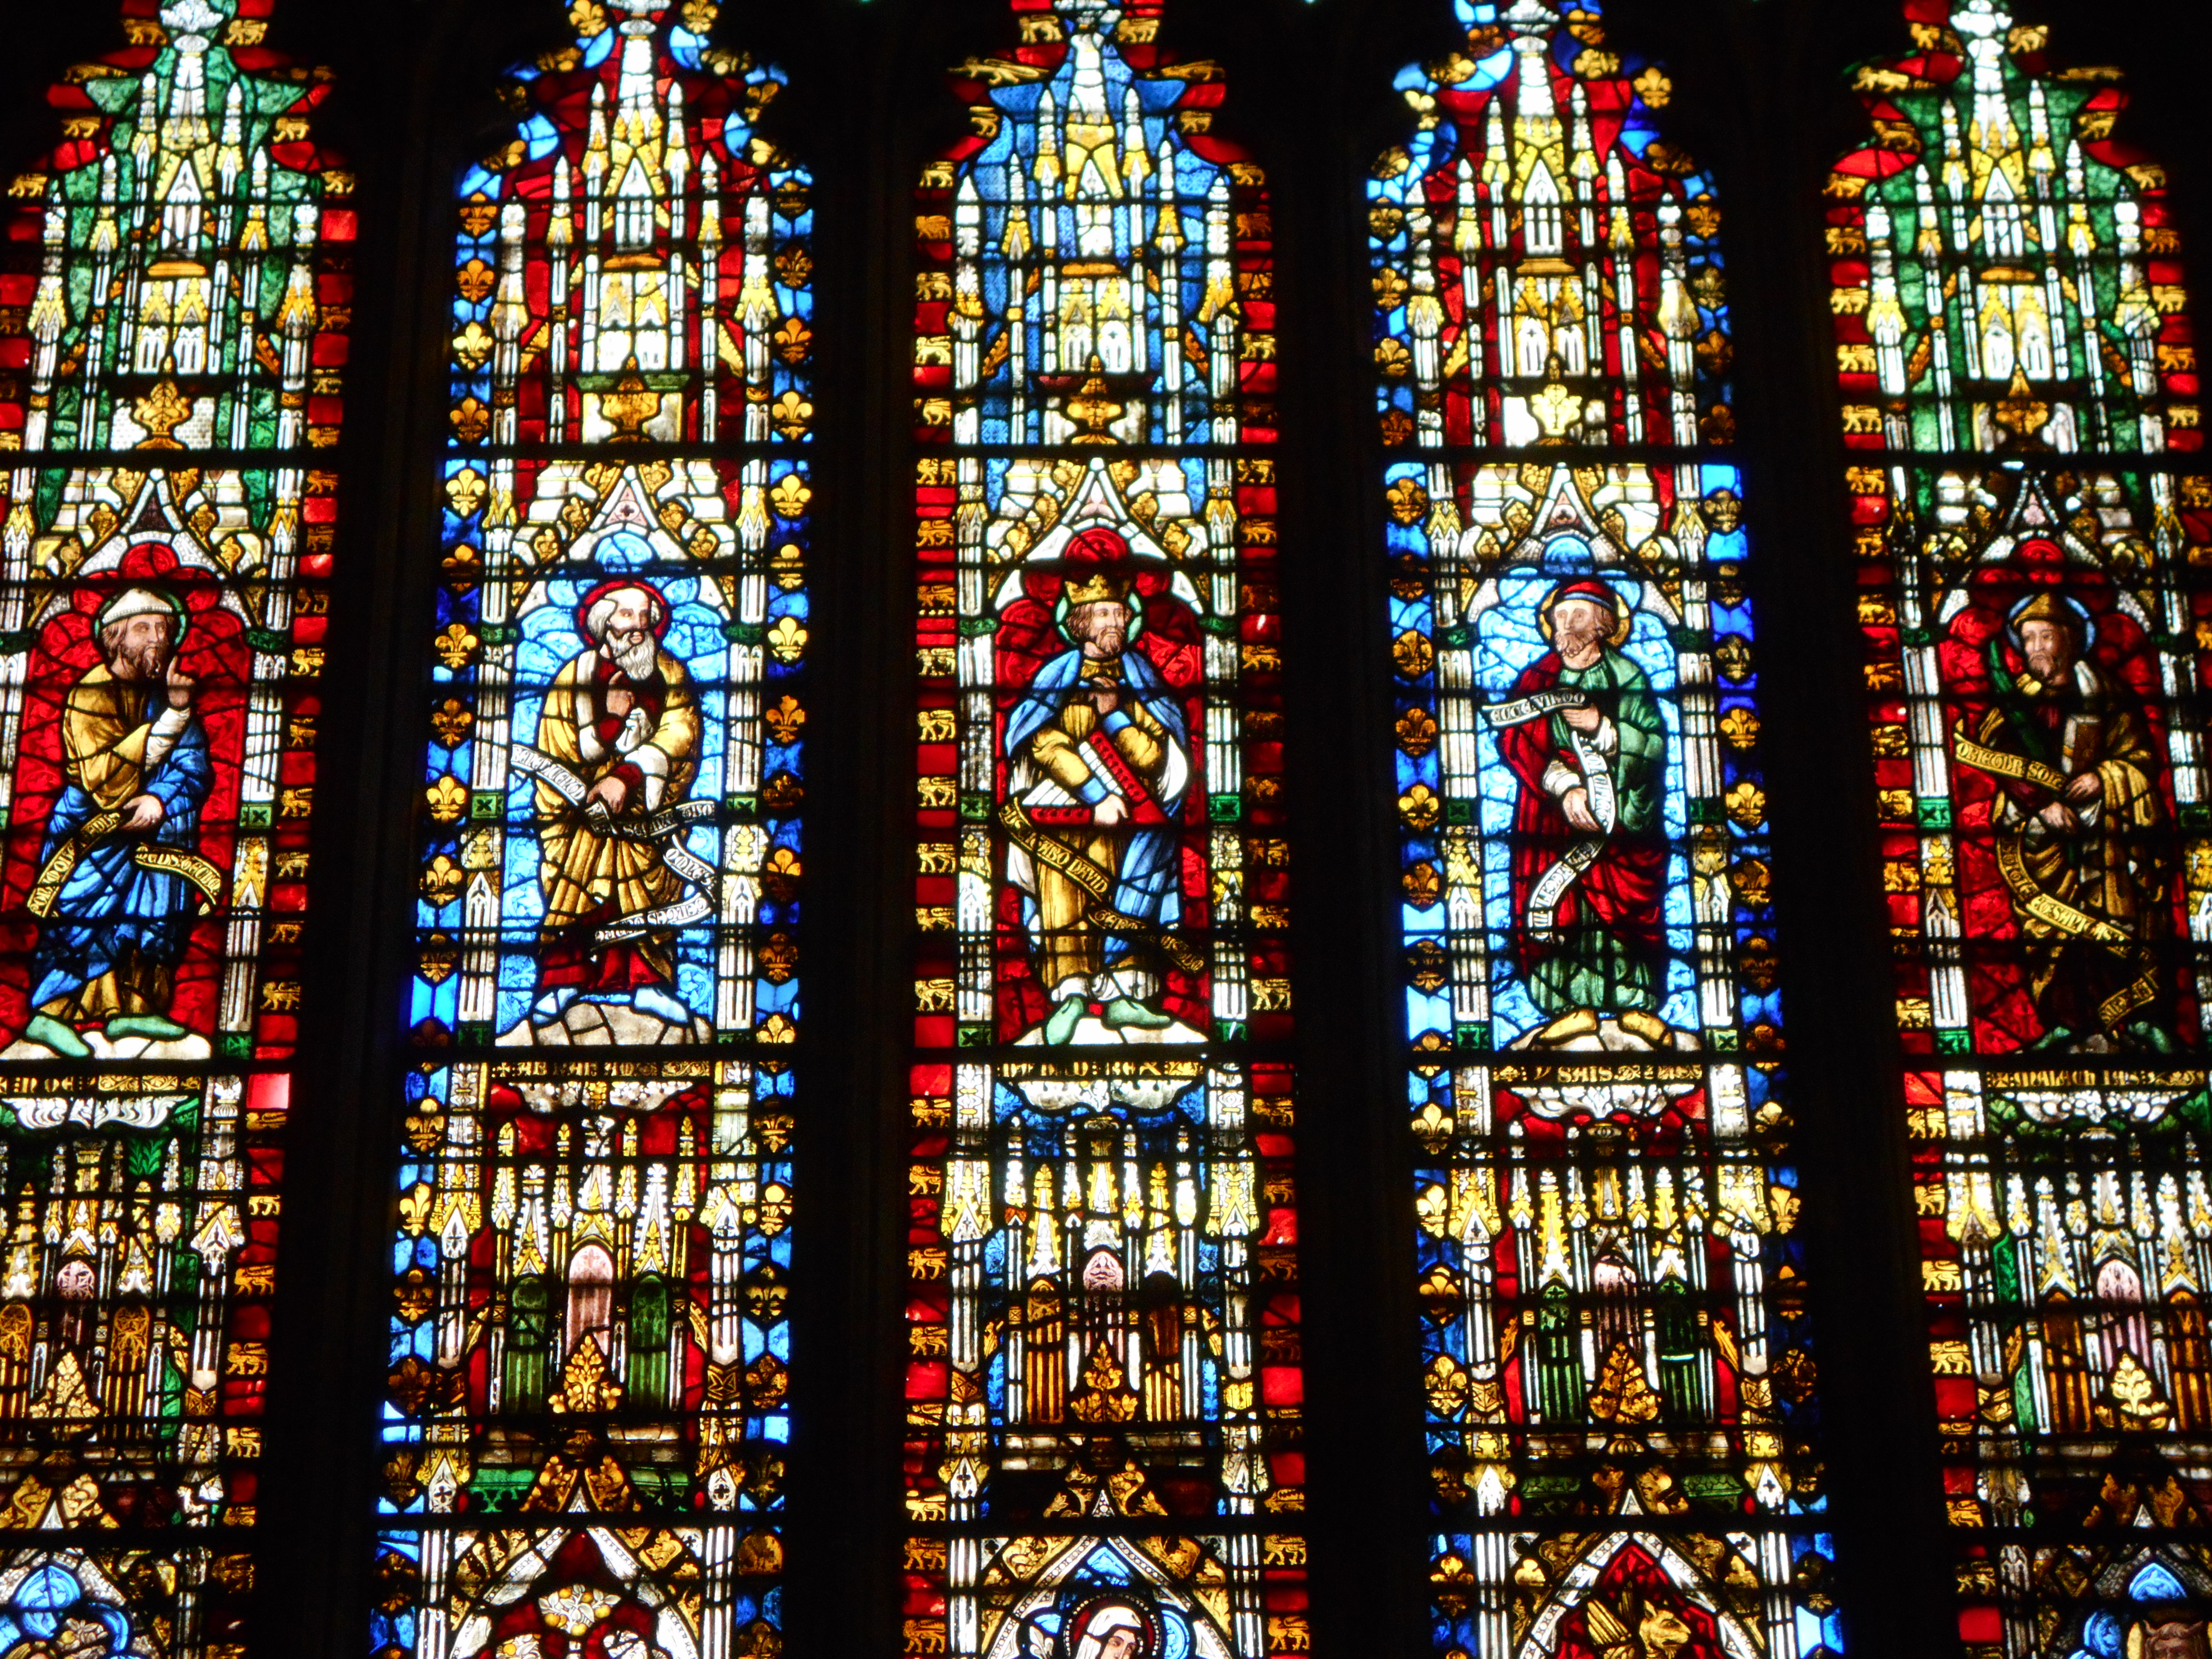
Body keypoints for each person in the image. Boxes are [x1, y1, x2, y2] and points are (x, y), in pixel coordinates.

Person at [1951, 590, 2169, 1049]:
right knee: (2050, 936)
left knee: (2111, 928)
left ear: (2069, 640)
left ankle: (2120, 1025)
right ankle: (2063, 1025)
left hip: (2106, 841)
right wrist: (2039, 807)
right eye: (2027, 639)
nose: (2034, 649)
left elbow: (2141, 759)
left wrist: (2103, 779)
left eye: (2044, 637)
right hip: (2039, 842)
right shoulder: (2014, 705)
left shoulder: (2109, 696)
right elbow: (2005, 768)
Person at [1001, 530, 1194, 1045]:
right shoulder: (1056, 678)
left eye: (1121, 613)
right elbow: (1039, 741)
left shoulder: (1139, 680)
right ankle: (1069, 996)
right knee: (1063, 900)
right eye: (1106, 615)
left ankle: (1125, 995)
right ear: (1082, 622)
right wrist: (1092, 794)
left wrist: (1116, 719)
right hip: (1062, 814)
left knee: (1126, 893)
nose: (1119, 623)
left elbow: (1158, 758)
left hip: (1130, 818)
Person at [20, 586, 218, 1058]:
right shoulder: (91, 693)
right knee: (84, 915)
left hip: (156, 832)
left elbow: (195, 766)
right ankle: (53, 1013)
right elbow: (102, 776)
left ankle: (137, 1005)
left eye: (165, 630)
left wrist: (160, 798)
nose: (159, 639)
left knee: (153, 914)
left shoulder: (167, 695)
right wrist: (174, 715)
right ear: (115, 638)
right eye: (146, 628)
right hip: (93, 828)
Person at [1485, 578, 1669, 1039]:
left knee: (1621, 908)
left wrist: (1604, 727)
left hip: (1620, 818)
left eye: (1578, 615)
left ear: (1605, 623)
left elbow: (1653, 744)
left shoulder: (1628, 677)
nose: (1566, 624)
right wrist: (1562, 786)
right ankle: (1567, 1005)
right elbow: (1514, 739)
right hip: (1552, 815)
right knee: (1563, 900)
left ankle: (1634, 1004)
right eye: (1560, 615)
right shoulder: (1536, 680)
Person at [525, 578, 703, 1029]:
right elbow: (559, 742)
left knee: (641, 890)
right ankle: (563, 981)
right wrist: (612, 723)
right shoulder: (577, 675)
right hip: (582, 813)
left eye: (646, 617)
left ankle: (647, 985)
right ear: (605, 622)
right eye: (627, 616)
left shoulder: (670, 672)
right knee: (578, 883)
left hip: (647, 808)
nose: (638, 628)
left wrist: (629, 774)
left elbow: (681, 730)